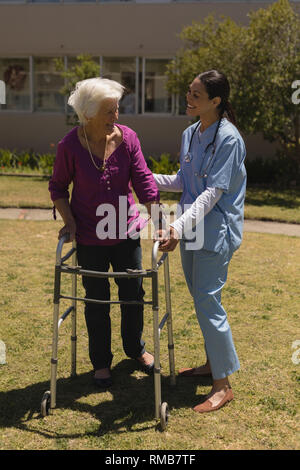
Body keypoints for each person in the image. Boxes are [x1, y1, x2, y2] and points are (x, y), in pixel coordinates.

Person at [49, 77, 161, 388]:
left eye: (116, 109)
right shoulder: (69, 145)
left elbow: (145, 184)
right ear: (89, 114)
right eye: (109, 111)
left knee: (133, 295)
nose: (116, 116)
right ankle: (101, 362)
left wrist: (160, 223)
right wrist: (69, 221)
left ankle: (135, 349)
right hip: (89, 235)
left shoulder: (128, 139)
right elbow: (58, 187)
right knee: (96, 299)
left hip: (125, 232)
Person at [153, 70, 247, 413]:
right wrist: (141, 177)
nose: (188, 98)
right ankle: (212, 363)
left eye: (196, 94)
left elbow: (211, 193)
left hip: (215, 231)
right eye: (189, 92)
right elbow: (183, 180)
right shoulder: (190, 133)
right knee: (201, 300)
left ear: (216, 101)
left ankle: (223, 385)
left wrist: (175, 227)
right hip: (190, 229)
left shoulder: (230, 139)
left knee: (209, 303)